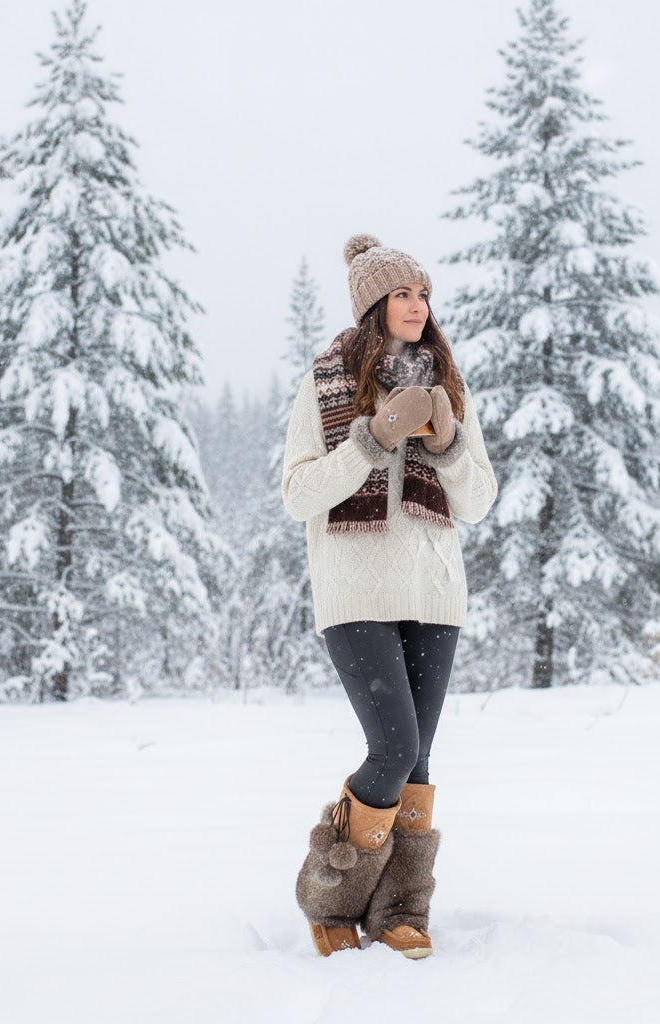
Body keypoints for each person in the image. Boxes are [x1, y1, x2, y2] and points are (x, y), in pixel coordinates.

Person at [282, 234, 497, 959]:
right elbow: (298, 493)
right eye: (402, 293)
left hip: (434, 594)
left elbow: (478, 500)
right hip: (355, 593)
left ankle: (403, 910)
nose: (417, 305)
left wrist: (445, 441)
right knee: (393, 746)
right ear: (374, 306)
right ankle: (332, 899)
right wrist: (373, 437)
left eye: (423, 293)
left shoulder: (448, 386)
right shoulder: (327, 386)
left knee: (420, 759)